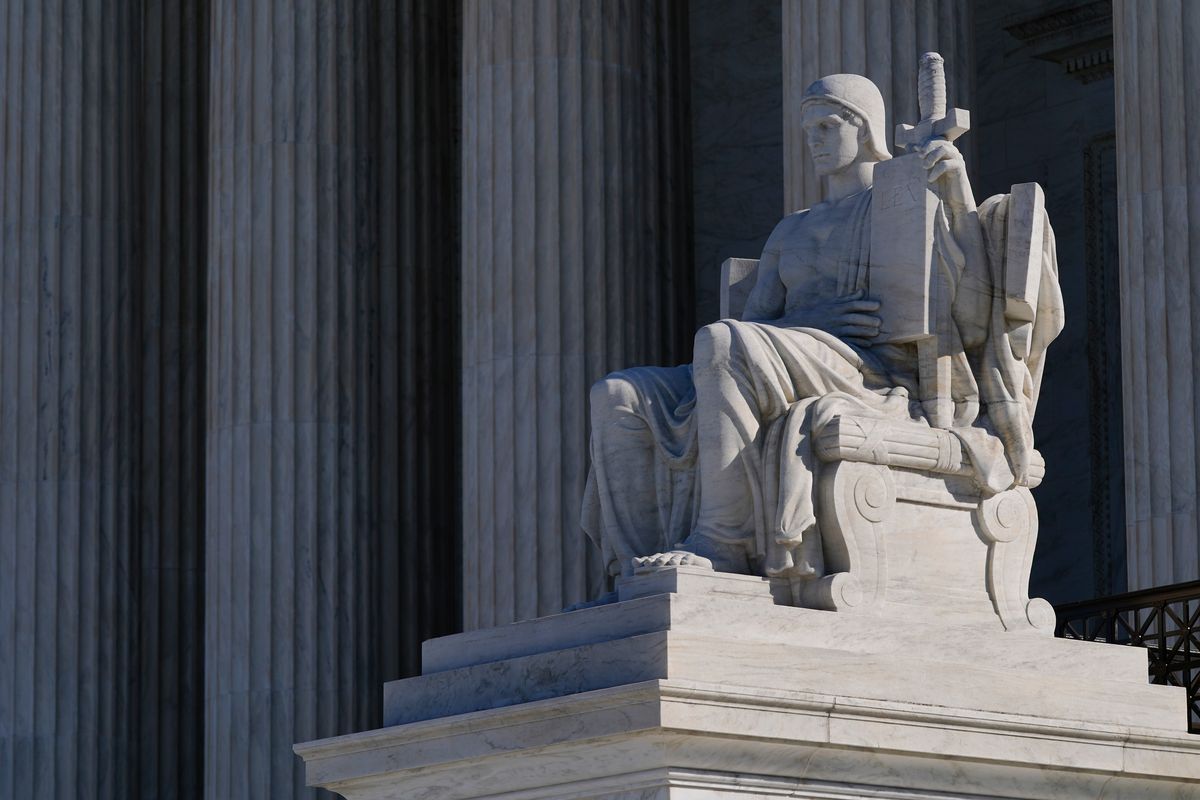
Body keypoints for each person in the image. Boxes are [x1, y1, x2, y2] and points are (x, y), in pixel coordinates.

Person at [580, 72, 1061, 587]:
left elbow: (970, 317)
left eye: (828, 126)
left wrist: (957, 200)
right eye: (809, 128)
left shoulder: (903, 206)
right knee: (618, 393)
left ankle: (722, 541)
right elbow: (755, 325)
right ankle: (633, 577)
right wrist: (808, 325)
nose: (814, 139)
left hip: (873, 375)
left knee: (720, 341)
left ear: (866, 129)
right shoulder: (793, 228)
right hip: (791, 354)